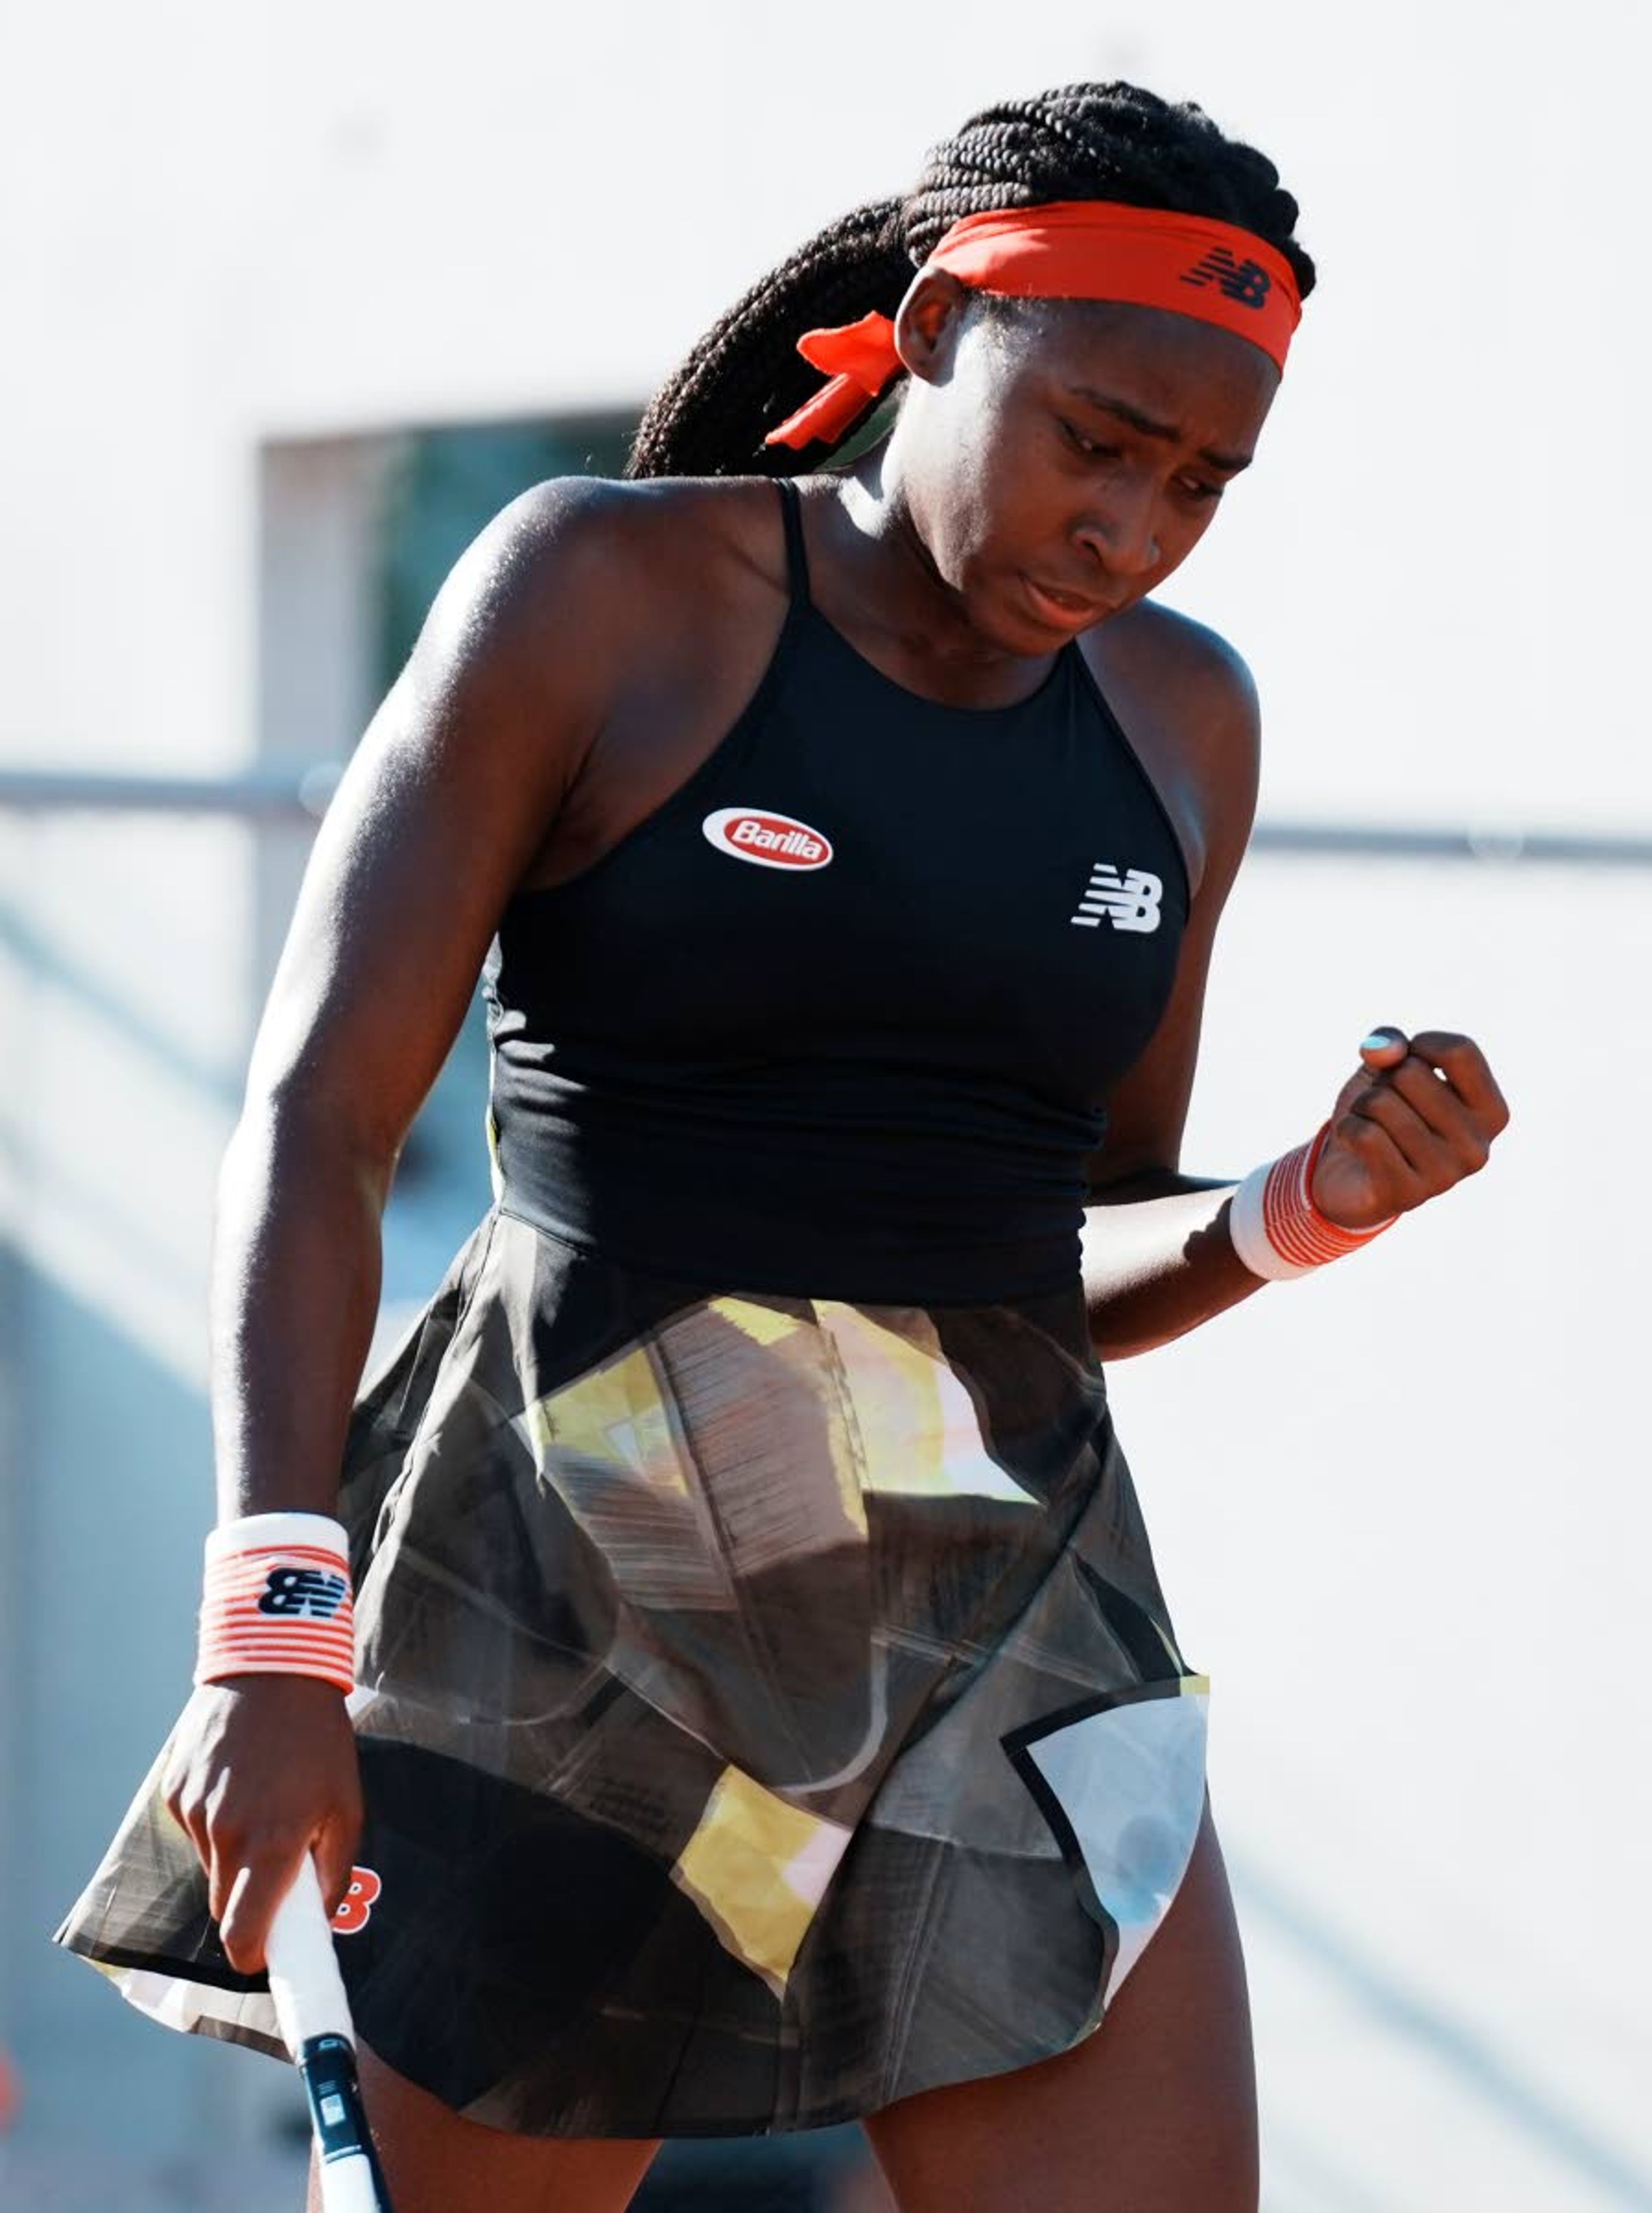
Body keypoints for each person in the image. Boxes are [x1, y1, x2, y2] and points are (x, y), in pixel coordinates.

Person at [55, 79, 1508, 2213]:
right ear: (933, 328)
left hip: (1001, 1615)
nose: (1134, 527)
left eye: (1203, 482)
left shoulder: (1187, 720)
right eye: (1098, 437)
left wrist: (1297, 1213)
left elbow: (1054, 1261)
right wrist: (273, 1627)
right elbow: (321, 1117)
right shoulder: (605, 591)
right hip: (564, 1588)